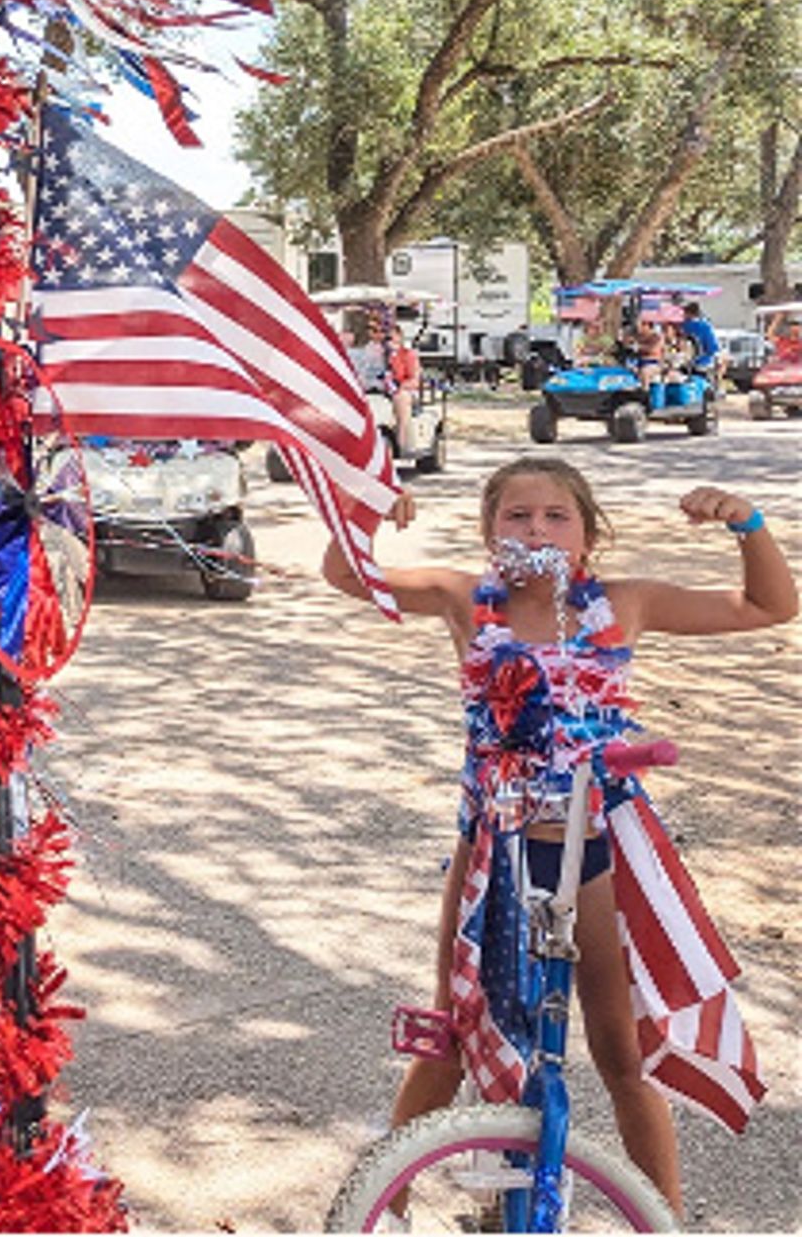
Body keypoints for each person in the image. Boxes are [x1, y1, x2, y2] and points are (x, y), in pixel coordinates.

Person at [321, 457, 796, 1217]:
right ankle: (383, 1201)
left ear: (587, 535)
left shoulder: (621, 603)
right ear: (488, 532)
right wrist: (367, 505)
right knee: (451, 1029)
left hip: (590, 854)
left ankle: (662, 1213)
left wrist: (746, 522)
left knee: (620, 1051)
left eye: (554, 516)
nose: (535, 528)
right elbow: (349, 574)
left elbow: (768, 606)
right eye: (516, 516)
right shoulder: (462, 598)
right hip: (490, 853)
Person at [343, 306, 419, 460]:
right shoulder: (368, 350)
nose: (378, 335)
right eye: (373, 332)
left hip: (401, 390)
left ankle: (401, 440)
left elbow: (413, 379)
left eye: (384, 334)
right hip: (374, 388)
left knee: (401, 398)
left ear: (398, 337)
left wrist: (393, 359)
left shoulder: (406, 354)